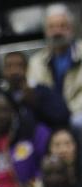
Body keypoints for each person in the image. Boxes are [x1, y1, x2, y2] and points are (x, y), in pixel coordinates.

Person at [27, 3, 82, 131]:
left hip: (77, 113)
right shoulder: (36, 62)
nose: (57, 32)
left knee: (78, 123)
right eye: (52, 27)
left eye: (62, 26)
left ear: (71, 29)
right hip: (50, 116)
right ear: (46, 31)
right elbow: (35, 95)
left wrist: (67, 115)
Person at [0, 50, 70, 129]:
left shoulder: (42, 90)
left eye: (19, 65)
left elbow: (62, 116)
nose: (14, 71)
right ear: (3, 71)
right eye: (9, 66)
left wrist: (35, 102)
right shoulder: (1, 96)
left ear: (27, 68)